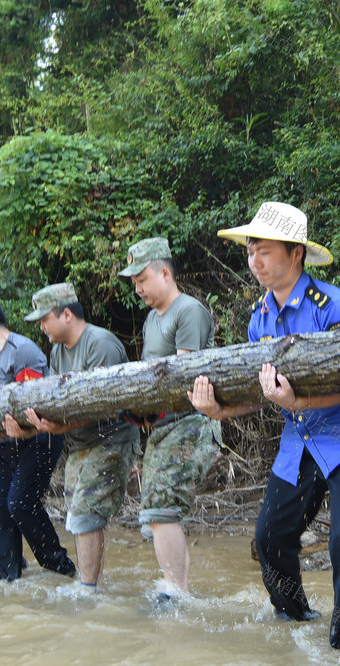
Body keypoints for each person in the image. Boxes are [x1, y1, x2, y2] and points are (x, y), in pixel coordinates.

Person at [189, 202, 340, 652]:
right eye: (249, 253)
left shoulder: (332, 307)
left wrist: (297, 400)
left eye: (263, 251)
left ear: (295, 254)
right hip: (300, 436)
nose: (254, 261)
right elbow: (263, 393)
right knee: (270, 537)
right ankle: (295, 617)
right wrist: (220, 411)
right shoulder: (259, 318)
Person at [8, 283, 140, 588]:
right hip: (79, 444)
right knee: (78, 518)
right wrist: (31, 425)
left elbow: (106, 407)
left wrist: (59, 427)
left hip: (111, 440)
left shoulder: (100, 344)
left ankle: (88, 589)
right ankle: (90, 582)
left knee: (84, 514)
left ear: (66, 314)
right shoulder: (56, 352)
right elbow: (57, 403)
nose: (41, 327)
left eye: (44, 319)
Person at [118, 237, 222, 595]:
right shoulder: (150, 319)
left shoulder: (188, 311)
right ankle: (176, 588)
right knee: (157, 510)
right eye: (134, 282)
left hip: (192, 423)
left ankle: (176, 592)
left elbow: (183, 376)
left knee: (162, 509)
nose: (138, 288)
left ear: (165, 272)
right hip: (162, 426)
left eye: (142, 279)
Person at [0, 299, 77, 581]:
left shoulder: (23, 352)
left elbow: (33, 410)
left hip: (40, 437)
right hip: (6, 442)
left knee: (20, 503)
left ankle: (60, 569)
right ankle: (9, 582)